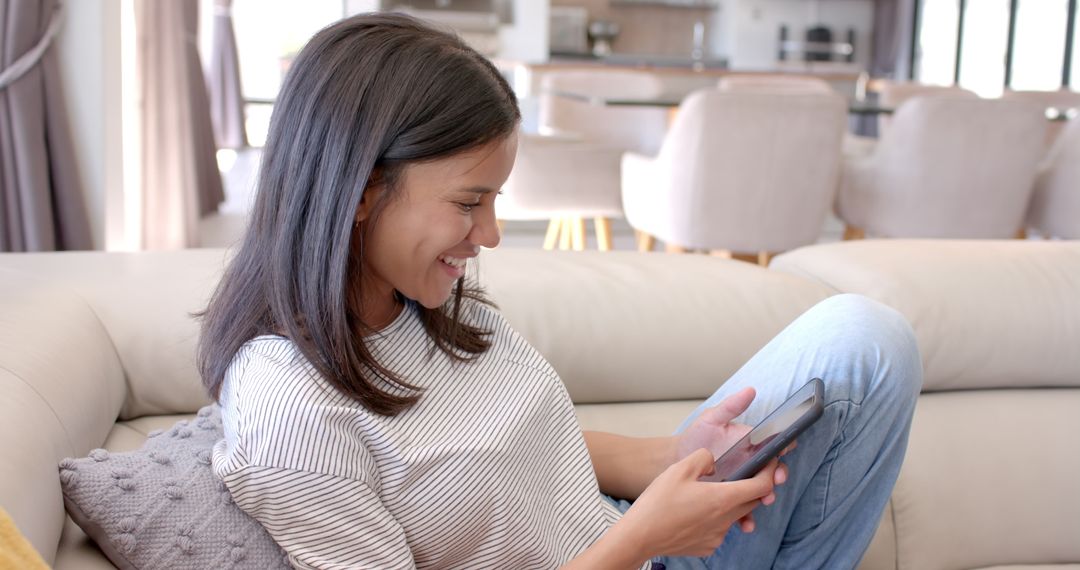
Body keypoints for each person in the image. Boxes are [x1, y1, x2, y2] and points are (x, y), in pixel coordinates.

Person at [199, 13, 922, 570]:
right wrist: (640, 540)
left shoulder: (413, 304)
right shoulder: (289, 410)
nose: (488, 234)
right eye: (469, 201)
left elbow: (506, 449)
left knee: (865, 339)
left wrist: (673, 458)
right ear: (360, 190)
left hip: (626, 533)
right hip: (625, 552)